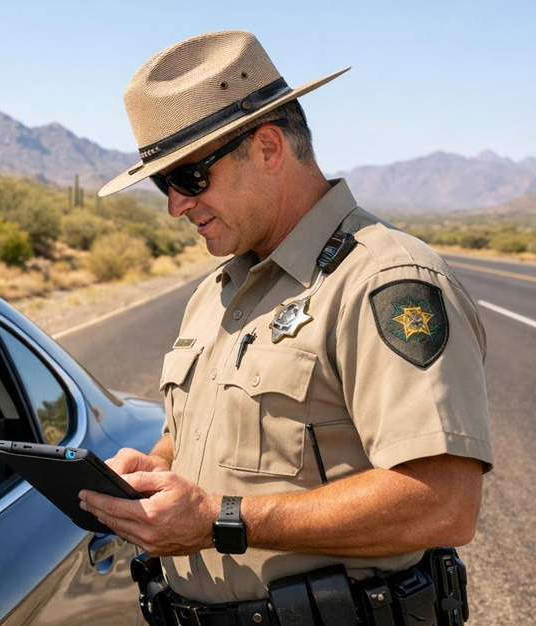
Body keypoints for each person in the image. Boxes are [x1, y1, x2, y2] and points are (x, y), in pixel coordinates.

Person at [81, 30, 492, 624]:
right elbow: (207, 435)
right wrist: (158, 469)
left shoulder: (383, 279)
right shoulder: (216, 292)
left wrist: (223, 520)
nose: (175, 205)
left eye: (191, 177)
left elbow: (444, 504)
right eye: (161, 182)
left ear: (269, 147)